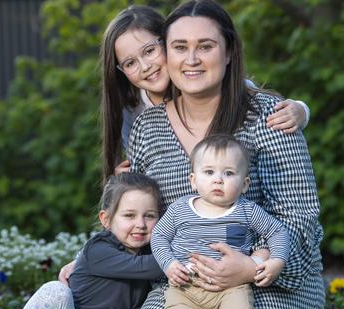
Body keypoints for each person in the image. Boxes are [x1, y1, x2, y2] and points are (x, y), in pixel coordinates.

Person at [123, 1, 344, 309]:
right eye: (180, 47)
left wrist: (253, 267)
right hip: (187, 284)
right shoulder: (148, 128)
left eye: (206, 46)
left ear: (229, 50)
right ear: (166, 54)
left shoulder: (270, 117)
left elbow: (300, 217)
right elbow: (145, 218)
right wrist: (91, 257)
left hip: (270, 278)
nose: (192, 59)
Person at [99, 5, 312, 180]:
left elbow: (259, 101)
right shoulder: (136, 116)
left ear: (168, 42)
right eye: (130, 63)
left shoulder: (213, 85)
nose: (145, 66)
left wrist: (301, 110)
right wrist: (127, 183)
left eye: (149, 51)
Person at [0, 173, 164, 309]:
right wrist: (180, 256)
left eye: (149, 216)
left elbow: (144, 302)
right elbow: (142, 268)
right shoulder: (98, 249)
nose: (141, 225)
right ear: (106, 219)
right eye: (129, 215)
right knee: (55, 291)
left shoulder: (148, 254)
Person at [151, 134, 290, 309]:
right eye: (209, 172)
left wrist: (277, 260)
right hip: (186, 288)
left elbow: (278, 232)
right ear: (193, 180)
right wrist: (169, 264)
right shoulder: (180, 209)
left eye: (228, 173)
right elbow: (159, 236)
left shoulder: (247, 210)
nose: (218, 180)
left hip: (230, 287)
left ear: (245, 184)